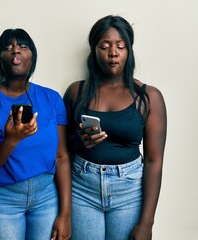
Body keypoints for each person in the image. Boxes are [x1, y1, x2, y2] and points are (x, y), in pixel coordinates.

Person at [64, 15, 167, 240]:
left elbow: (154, 160)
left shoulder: (149, 97)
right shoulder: (76, 92)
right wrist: (78, 141)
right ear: (94, 51)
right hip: (82, 189)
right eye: (105, 46)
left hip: (129, 192)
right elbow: (61, 148)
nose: (113, 52)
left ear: (129, 50)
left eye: (120, 46)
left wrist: (147, 223)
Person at [0, 28, 71, 240]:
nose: (15, 51)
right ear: (0, 58)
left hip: (46, 197)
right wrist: (11, 141)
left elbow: (61, 157)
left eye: (22, 47)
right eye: (8, 48)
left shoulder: (52, 99)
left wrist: (66, 214)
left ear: (32, 56)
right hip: (2, 199)